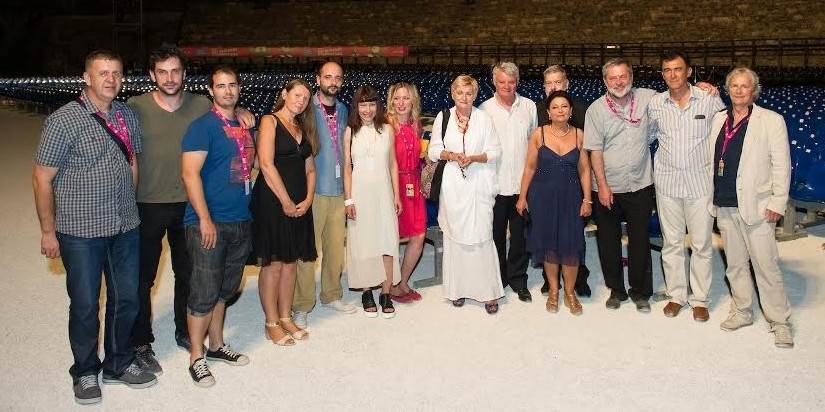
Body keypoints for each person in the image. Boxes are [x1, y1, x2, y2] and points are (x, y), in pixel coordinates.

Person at [33, 50, 156, 405]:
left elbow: (131, 161)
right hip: (80, 230)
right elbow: (42, 178)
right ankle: (86, 370)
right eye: (103, 73)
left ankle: (119, 362)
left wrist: (130, 204)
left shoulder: (127, 115)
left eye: (116, 73)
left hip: (125, 225)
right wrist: (48, 230)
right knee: (86, 304)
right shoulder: (63, 120)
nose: (110, 80)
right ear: (86, 78)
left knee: (127, 298)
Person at [126, 47, 256, 373]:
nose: (170, 78)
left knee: (190, 276)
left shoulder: (199, 104)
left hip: (188, 202)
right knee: (143, 278)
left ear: (185, 74)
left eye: (175, 71)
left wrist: (242, 111)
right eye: (162, 72)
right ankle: (141, 342)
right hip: (150, 202)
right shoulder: (136, 107)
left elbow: (227, 109)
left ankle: (187, 334)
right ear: (152, 75)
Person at [708, 67, 793, 348]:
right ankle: (743, 311)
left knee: (766, 267)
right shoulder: (719, 119)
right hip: (724, 202)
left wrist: (777, 202)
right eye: (734, 85)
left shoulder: (771, 121)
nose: (739, 90)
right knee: (735, 265)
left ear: (754, 90)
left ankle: (779, 321)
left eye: (745, 86)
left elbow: (782, 165)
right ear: (727, 89)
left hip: (757, 206)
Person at [180, 65, 254, 387]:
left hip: (240, 219)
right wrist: (204, 219)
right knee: (204, 292)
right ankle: (196, 356)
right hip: (209, 223)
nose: (227, 91)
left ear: (239, 88)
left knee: (225, 290)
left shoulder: (244, 124)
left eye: (232, 85)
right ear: (211, 91)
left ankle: (217, 345)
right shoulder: (201, 127)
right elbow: (189, 174)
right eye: (221, 86)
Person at [647, 50, 725, 322]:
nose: (673, 74)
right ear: (662, 74)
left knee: (702, 244)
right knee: (671, 243)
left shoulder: (709, 99)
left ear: (689, 71)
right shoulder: (656, 104)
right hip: (667, 184)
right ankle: (676, 295)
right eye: (667, 70)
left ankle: (700, 298)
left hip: (699, 184)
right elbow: (648, 136)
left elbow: (724, 135)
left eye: (678, 69)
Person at [584, 58, 656, 313]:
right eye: (612, 78)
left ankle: (640, 291)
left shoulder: (649, 98)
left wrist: (702, 86)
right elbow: (595, 151)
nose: (618, 82)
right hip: (608, 187)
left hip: (640, 184)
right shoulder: (596, 110)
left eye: (623, 76)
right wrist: (603, 186)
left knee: (640, 240)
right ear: (605, 81)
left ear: (631, 77)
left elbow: (676, 94)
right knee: (608, 241)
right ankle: (616, 289)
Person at [428, 75, 504, 314]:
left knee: (482, 236)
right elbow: (433, 151)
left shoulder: (484, 119)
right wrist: (452, 155)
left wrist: (473, 158)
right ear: (453, 94)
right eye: (459, 93)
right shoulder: (443, 117)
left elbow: (495, 151)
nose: (464, 97)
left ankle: (488, 293)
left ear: (475, 95)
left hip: (479, 184)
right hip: (453, 186)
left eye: (469, 93)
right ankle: (457, 290)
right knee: (455, 237)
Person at [250, 79, 318, 345]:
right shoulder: (270, 121)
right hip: (273, 200)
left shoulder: (302, 127)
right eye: (297, 95)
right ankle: (271, 322)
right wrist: (286, 201)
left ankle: (286, 316)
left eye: (305, 98)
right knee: (274, 263)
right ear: (284, 94)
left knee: (291, 262)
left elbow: (310, 169)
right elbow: (266, 165)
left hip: (300, 201)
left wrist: (308, 198)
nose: (301, 101)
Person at [517, 91, 592, 315]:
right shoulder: (538, 134)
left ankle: (570, 292)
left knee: (571, 246)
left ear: (571, 111)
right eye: (555, 107)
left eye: (564, 106)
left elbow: (585, 170)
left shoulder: (579, 135)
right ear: (548, 112)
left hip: (571, 198)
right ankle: (553, 291)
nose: (560, 110)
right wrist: (522, 197)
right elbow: (529, 167)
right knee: (549, 244)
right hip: (542, 198)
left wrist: (587, 199)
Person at [294, 61, 356, 328]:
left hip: (339, 190)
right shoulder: (305, 108)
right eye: (328, 77)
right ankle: (302, 304)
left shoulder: (343, 110)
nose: (333, 82)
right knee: (308, 252)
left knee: (335, 249)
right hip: (314, 190)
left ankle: (331, 294)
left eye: (338, 78)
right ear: (318, 79)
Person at [343, 85, 402, 318]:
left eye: (371, 104)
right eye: (362, 105)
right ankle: (367, 291)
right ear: (356, 107)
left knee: (387, 241)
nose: (367, 110)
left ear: (377, 106)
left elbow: (393, 164)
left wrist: (396, 195)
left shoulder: (387, 130)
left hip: (383, 193)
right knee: (364, 243)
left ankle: (386, 293)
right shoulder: (350, 132)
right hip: (360, 195)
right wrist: (348, 200)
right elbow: (347, 168)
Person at [479, 62, 536, 303]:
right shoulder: (484, 110)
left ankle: (518, 279)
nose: (506, 86)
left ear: (517, 82)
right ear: (494, 82)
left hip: (522, 186)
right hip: (495, 185)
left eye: (511, 82)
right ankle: (498, 278)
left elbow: (534, 144)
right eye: (501, 81)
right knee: (496, 236)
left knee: (521, 237)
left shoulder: (529, 107)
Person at [536, 64, 592, 297]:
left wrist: (587, 195)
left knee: (574, 233)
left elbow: (589, 150)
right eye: (549, 83)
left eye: (557, 82)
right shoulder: (537, 110)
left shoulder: (582, 110)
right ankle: (550, 281)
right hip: (547, 181)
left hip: (574, 181)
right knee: (548, 231)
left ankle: (579, 278)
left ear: (567, 84)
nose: (553, 87)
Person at [386, 81, 425, 303]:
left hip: (414, 185)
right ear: (391, 101)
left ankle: (403, 282)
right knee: (391, 237)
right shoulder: (385, 126)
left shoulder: (416, 125)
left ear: (413, 101)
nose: (401, 103)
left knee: (418, 235)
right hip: (393, 185)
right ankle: (389, 285)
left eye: (406, 98)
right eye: (397, 98)